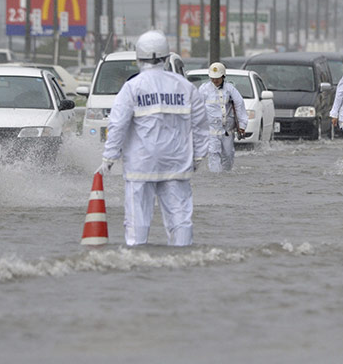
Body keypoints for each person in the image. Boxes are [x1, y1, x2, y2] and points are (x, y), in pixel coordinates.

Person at [98, 30, 209, 246]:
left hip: (141, 166)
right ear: (167, 58)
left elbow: (117, 124)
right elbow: (201, 125)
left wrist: (108, 158)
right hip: (177, 164)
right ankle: (183, 262)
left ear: (138, 58)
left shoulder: (132, 87)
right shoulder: (185, 87)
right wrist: (198, 156)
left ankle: (138, 266)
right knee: (181, 221)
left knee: (136, 224)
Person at [198, 62, 248, 173]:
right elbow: (197, 108)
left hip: (227, 131)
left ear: (223, 76)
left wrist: (242, 125)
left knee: (228, 155)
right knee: (213, 153)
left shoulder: (230, 89)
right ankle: (216, 177)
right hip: (211, 131)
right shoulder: (203, 89)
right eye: (213, 78)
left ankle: (225, 176)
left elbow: (239, 105)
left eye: (217, 78)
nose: (215, 81)